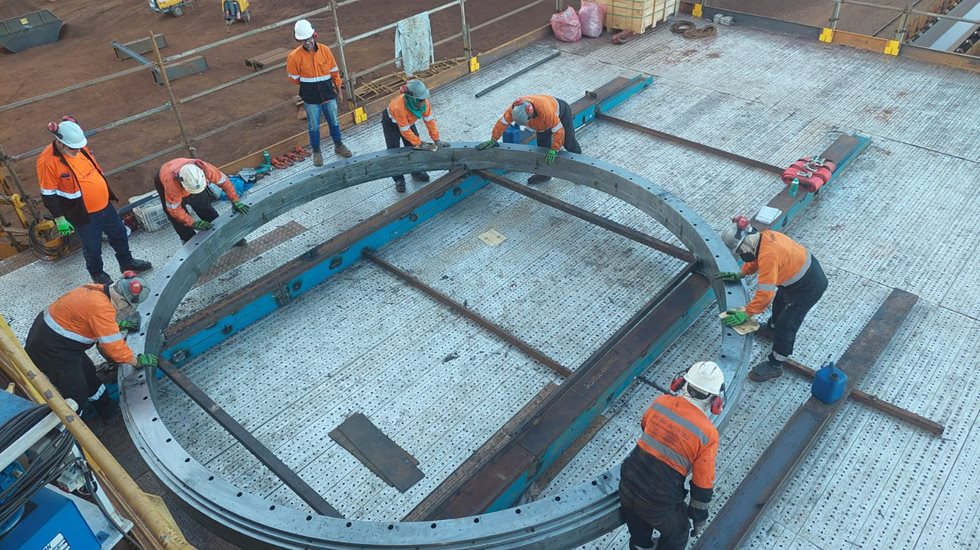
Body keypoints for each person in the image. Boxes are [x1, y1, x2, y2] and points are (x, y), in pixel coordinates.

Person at [619, 361, 723, 550]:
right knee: (679, 532)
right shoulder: (708, 433)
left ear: (682, 382)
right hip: (658, 500)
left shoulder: (661, 402)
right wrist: (698, 517)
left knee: (639, 534)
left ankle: (640, 546)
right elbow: (702, 482)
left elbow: (645, 426)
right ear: (715, 401)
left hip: (627, 482)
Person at [24, 272, 158, 418]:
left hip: (55, 340)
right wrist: (137, 361)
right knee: (76, 393)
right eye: (128, 307)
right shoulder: (102, 308)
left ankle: (107, 410)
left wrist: (117, 324)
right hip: (50, 350)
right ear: (123, 301)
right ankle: (74, 431)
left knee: (89, 373)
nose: (126, 310)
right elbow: (115, 349)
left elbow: (86, 318)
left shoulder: (97, 290)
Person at [36, 117, 152, 284]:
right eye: (72, 148)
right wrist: (59, 218)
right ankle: (97, 274)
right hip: (83, 214)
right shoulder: (47, 161)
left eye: (78, 146)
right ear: (59, 142)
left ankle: (127, 263)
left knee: (119, 234)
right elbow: (48, 195)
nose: (77, 150)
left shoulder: (78, 146)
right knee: (92, 247)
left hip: (105, 205)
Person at [717, 216, 828, 381]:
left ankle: (775, 365)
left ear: (745, 243)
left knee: (787, 324)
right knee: (780, 302)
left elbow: (764, 295)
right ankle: (771, 329)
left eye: (740, 252)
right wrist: (741, 273)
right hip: (797, 277)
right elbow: (755, 259)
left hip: (809, 287)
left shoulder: (769, 256)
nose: (741, 255)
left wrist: (747, 313)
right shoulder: (763, 239)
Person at [287, 19, 353, 167]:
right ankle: (316, 152)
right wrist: (310, 84)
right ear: (300, 40)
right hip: (311, 99)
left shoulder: (325, 51)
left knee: (334, 122)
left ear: (314, 35)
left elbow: (335, 72)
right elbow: (293, 78)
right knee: (313, 126)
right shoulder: (294, 57)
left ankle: (339, 145)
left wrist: (338, 89)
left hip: (328, 95)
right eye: (304, 40)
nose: (307, 42)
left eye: (309, 38)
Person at [476, 94, 581, 185]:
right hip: (541, 124)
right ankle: (544, 175)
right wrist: (493, 139)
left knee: (569, 142)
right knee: (542, 149)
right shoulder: (514, 109)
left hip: (561, 113)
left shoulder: (545, 111)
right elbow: (502, 123)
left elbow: (558, 131)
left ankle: (579, 170)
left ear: (530, 115)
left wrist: (555, 149)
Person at [155, 158, 250, 244]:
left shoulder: (204, 168)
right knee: (177, 219)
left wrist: (235, 200)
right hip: (164, 177)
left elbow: (225, 182)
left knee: (204, 207)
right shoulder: (171, 185)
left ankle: (225, 235)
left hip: (189, 180)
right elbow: (174, 209)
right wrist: (192, 223)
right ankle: (189, 242)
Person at [381, 79, 449, 192]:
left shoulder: (424, 104)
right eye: (420, 100)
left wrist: (436, 139)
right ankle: (399, 179)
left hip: (408, 122)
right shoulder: (399, 107)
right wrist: (420, 143)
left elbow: (430, 121)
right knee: (394, 151)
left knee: (414, 148)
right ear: (411, 98)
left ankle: (416, 171)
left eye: (423, 99)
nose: (423, 102)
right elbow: (405, 130)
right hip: (391, 124)